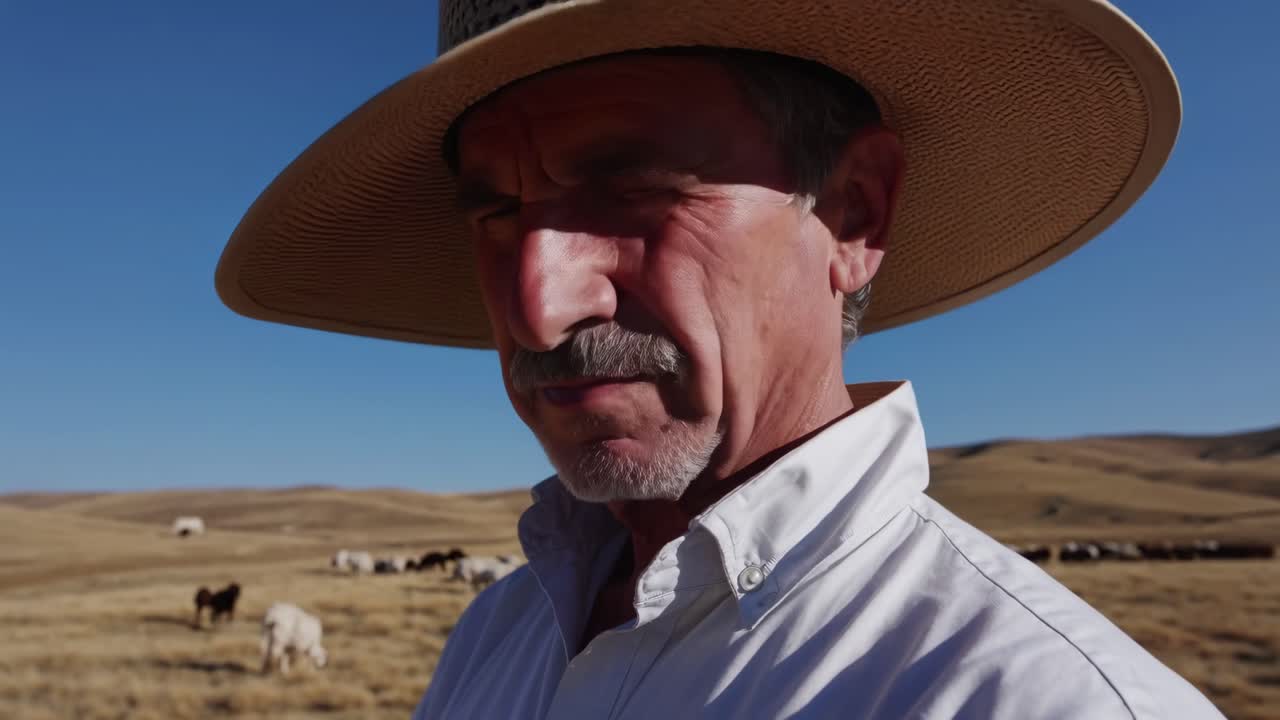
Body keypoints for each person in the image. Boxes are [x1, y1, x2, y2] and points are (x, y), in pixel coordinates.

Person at [216, 1, 1223, 718]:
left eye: (634, 188)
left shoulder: (1035, 700)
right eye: (492, 210)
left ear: (853, 213)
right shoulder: (497, 636)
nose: (532, 304)